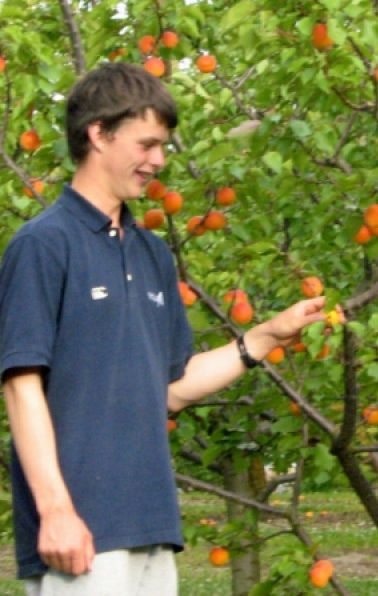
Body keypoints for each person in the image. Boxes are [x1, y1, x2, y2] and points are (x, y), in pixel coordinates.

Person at [0, 62, 329, 595]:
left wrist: (266, 336)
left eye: (164, 146)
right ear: (99, 134)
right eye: (148, 144)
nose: (159, 161)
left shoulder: (152, 253)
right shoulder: (44, 244)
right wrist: (56, 508)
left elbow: (172, 388)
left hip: (151, 522)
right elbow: (20, 384)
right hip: (81, 532)